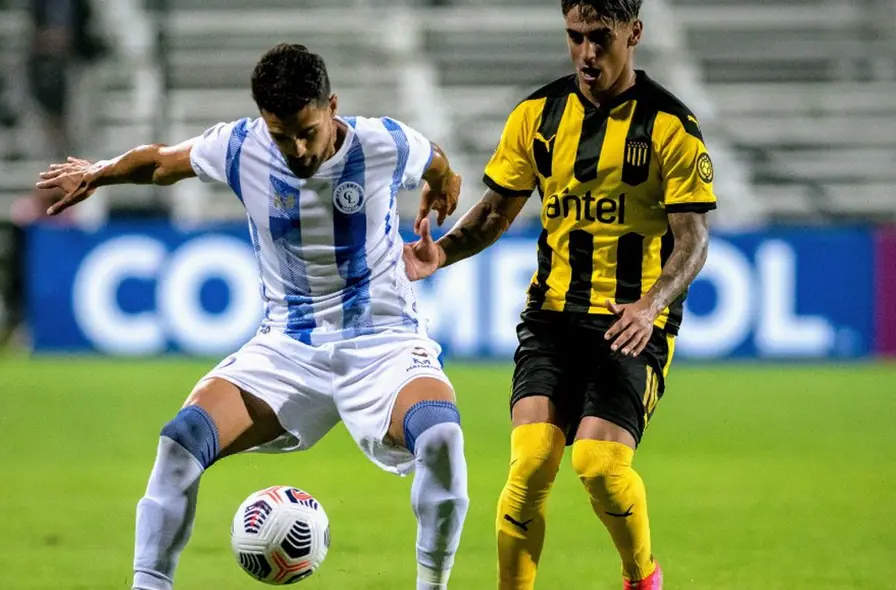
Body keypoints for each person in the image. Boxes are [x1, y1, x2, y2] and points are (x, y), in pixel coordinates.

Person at [35, 43, 468, 590]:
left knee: (441, 440)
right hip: (287, 347)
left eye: (307, 130)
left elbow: (439, 162)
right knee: (179, 444)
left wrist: (440, 188)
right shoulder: (241, 145)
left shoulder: (382, 141)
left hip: (383, 341)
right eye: (280, 134)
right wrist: (100, 172)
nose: (295, 149)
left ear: (332, 106)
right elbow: (163, 162)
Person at [403, 1, 717, 588]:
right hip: (551, 316)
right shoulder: (538, 115)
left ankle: (641, 575)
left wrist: (651, 305)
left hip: (632, 323)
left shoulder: (670, 126)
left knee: (599, 466)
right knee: (529, 467)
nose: (587, 53)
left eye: (601, 38)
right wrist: (441, 251)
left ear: (635, 33)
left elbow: (694, 241)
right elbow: (496, 210)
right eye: (576, 37)